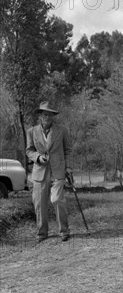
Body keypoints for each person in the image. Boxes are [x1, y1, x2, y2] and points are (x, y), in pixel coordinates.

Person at [26, 101, 73, 242]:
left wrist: (69, 167)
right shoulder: (31, 131)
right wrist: (38, 157)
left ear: (53, 116)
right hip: (40, 171)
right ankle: (42, 233)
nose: (47, 117)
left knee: (57, 199)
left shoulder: (62, 130)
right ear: (39, 116)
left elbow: (68, 150)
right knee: (40, 203)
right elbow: (29, 150)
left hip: (58, 170)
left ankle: (64, 231)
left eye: (50, 114)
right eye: (45, 114)